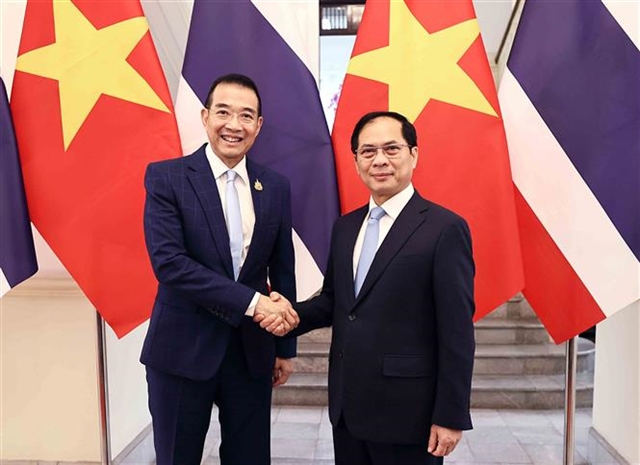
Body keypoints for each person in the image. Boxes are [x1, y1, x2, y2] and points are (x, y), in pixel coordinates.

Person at [259, 111, 476, 465]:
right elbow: (336, 301)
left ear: (414, 154)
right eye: (368, 151)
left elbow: (457, 331)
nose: (380, 160)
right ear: (356, 161)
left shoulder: (444, 228)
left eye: (391, 149)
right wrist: (289, 313)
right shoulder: (345, 227)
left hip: (410, 414)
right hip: (348, 408)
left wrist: (450, 414)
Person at [140, 73, 299, 465]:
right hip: (181, 350)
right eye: (223, 112)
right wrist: (254, 304)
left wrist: (284, 347)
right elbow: (171, 265)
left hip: (251, 354)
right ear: (205, 116)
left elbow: (283, 268)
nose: (234, 125)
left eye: (246, 115)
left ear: (258, 125)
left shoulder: (274, 186)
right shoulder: (167, 177)